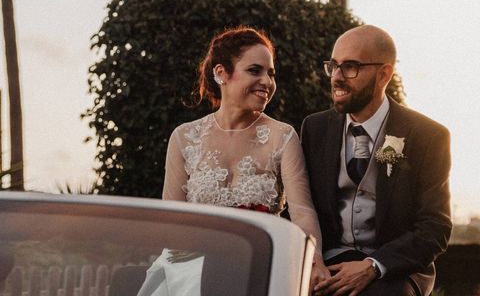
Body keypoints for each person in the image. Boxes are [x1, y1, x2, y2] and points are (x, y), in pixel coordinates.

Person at [155, 26, 330, 293]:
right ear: (221, 73)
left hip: (257, 267)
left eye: (271, 73)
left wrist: (314, 263)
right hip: (189, 266)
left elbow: (303, 213)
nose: (267, 82)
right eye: (254, 70)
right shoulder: (184, 138)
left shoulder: (282, 136)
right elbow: (173, 222)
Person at [300, 25, 452, 296]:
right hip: (329, 261)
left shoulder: (428, 136)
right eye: (333, 66)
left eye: (350, 67)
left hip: (394, 268)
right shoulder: (315, 128)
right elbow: (302, 206)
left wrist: (374, 265)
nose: (337, 77)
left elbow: (435, 228)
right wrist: (314, 263)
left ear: (384, 74)